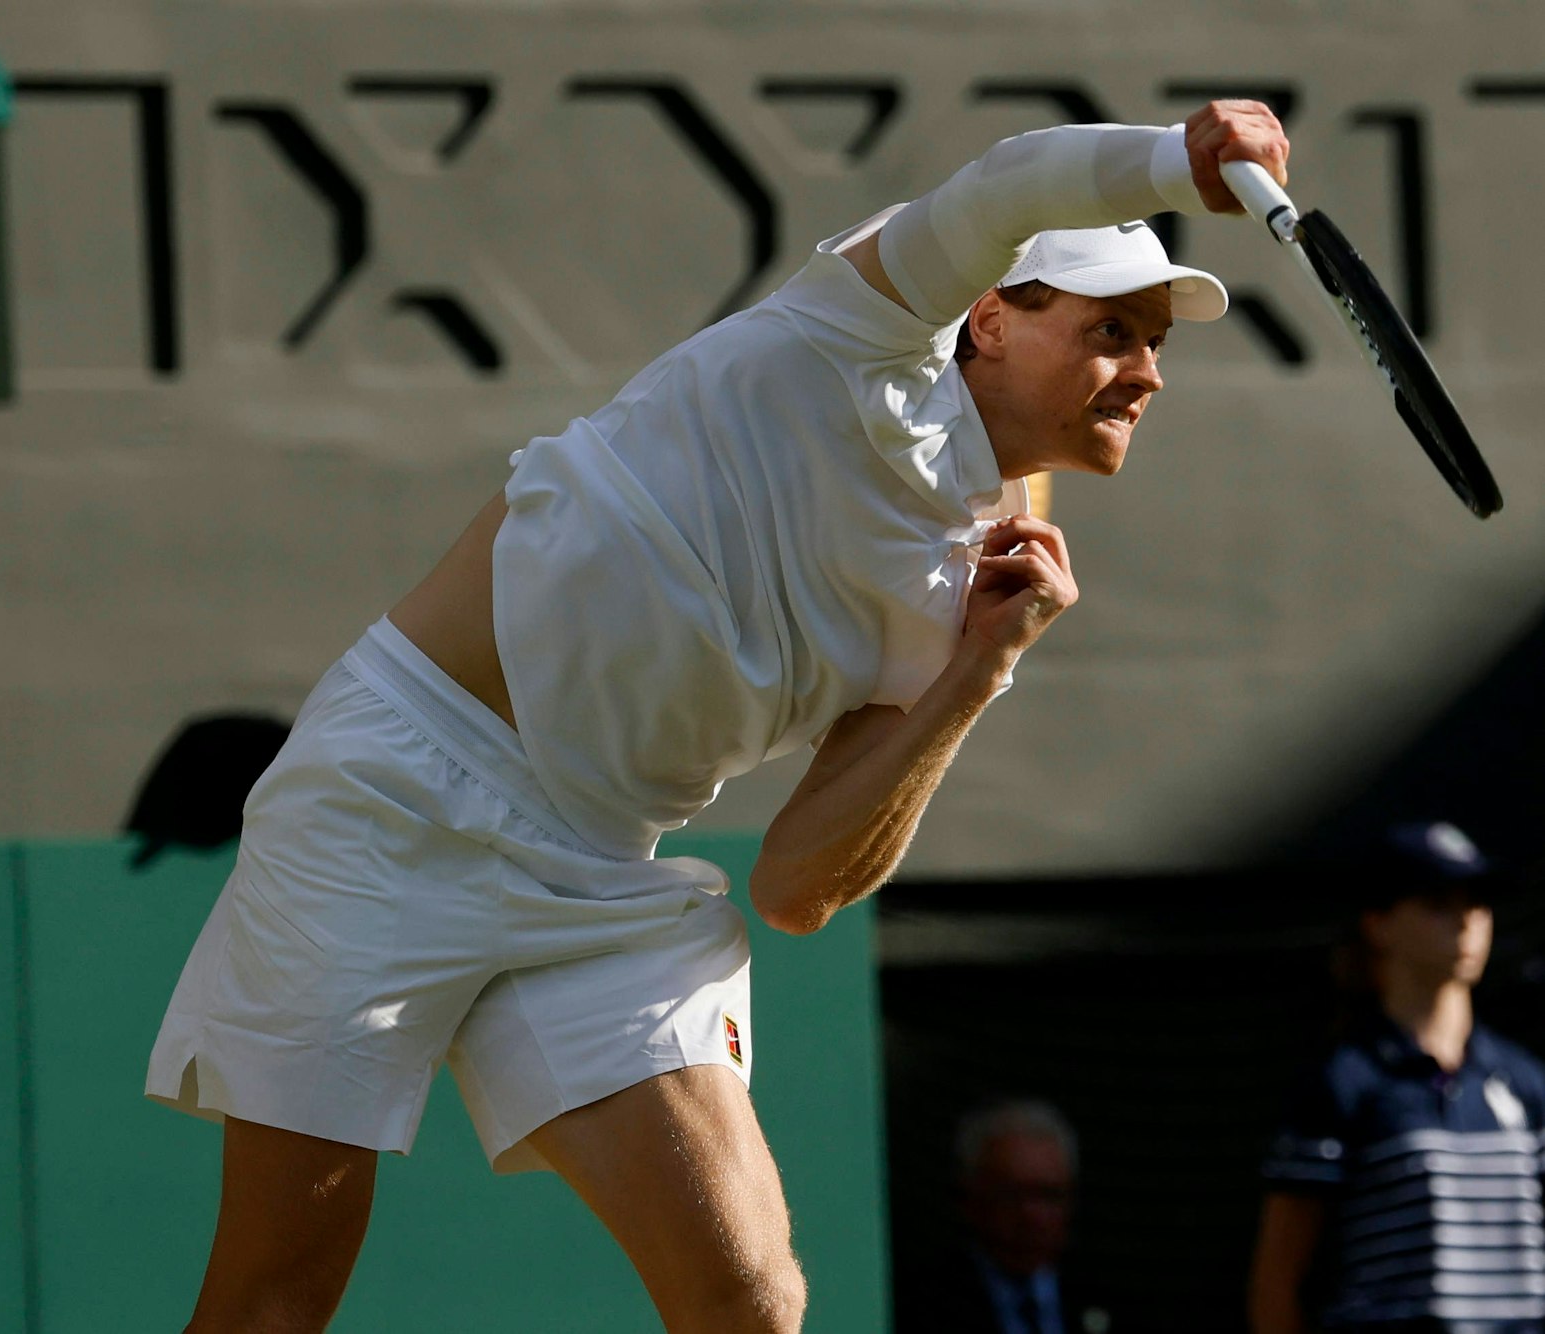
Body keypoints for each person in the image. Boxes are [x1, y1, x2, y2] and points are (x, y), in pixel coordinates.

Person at [146, 100, 1291, 1333]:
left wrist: (977, 672)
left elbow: (796, 886)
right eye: (1113, 329)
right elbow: (1014, 180)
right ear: (992, 319)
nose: (1148, 370)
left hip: (597, 871)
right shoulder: (859, 329)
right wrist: (1173, 159)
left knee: (750, 1297)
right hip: (391, 795)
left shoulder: (982, 587)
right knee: (273, 1299)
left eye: (1156, 341)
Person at [1248, 822, 1545, 1334]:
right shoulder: (1341, 1085)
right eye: (1438, 903)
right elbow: (1278, 1284)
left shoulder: (1527, 1083)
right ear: (1378, 925)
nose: (1466, 921)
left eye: (1477, 902)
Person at [902, 1098, 1115, 1334]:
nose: (1032, 1217)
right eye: (1012, 1195)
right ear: (970, 1198)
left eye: (1049, 1195)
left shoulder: (1106, 1297)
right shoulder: (923, 1303)